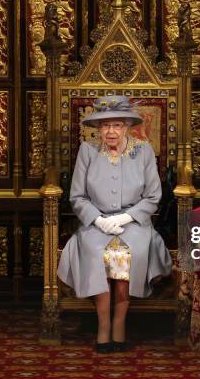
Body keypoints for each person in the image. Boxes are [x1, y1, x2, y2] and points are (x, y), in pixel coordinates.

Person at [57, 95, 173, 353]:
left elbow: (154, 196)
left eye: (117, 125)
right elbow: (76, 196)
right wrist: (97, 219)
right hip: (95, 224)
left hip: (134, 224)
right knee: (98, 254)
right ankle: (103, 326)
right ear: (98, 129)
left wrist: (126, 217)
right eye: (105, 125)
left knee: (124, 256)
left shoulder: (143, 151)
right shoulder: (87, 151)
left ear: (127, 127)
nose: (111, 131)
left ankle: (119, 324)